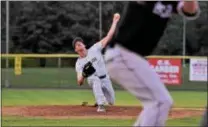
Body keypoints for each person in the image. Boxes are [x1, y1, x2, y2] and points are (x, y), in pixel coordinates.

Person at [104, 1, 200, 126]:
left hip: (132, 57)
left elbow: (190, 10)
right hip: (122, 54)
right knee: (160, 102)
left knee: (160, 102)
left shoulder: (171, 2)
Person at [73, 13, 120, 112]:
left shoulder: (95, 48)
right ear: (75, 50)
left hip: (105, 78)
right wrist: (84, 74)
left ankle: (99, 98)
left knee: (112, 102)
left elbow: (109, 36)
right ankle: (101, 105)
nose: (79, 46)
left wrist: (115, 21)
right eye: (76, 46)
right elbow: (79, 82)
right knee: (95, 79)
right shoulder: (79, 63)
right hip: (93, 79)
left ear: (84, 45)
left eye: (80, 44)